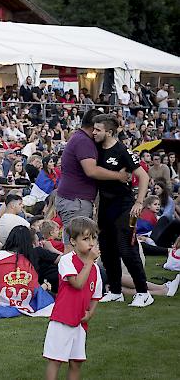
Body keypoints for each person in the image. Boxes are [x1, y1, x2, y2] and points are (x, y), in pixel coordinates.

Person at [92, 114, 152, 307]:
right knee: (108, 250)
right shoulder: (96, 149)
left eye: (98, 130)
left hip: (124, 205)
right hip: (105, 207)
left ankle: (143, 293)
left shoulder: (122, 151)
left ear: (109, 132)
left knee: (127, 249)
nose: (94, 133)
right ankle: (116, 291)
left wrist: (139, 202)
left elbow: (143, 176)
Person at [56, 109, 129, 249]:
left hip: (74, 200)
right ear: (94, 126)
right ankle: (69, 272)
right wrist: (119, 176)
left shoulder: (81, 138)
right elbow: (91, 170)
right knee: (75, 249)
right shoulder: (83, 141)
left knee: (77, 248)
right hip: (75, 202)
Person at [43, 217, 102, 380]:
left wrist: (90, 314)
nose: (91, 243)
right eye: (85, 238)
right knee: (56, 360)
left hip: (80, 323)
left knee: (76, 363)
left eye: (94, 238)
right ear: (73, 241)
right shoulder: (66, 260)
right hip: (62, 318)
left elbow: (96, 296)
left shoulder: (95, 269)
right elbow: (77, 283)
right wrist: (89, 262)